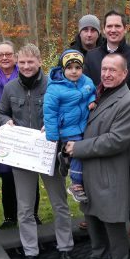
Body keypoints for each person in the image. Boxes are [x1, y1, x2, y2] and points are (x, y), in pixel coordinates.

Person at [0, 44, 74, 259]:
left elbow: (67, 113)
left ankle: (65, 248)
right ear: (16, 63)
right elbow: (1, 112)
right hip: (22, 156)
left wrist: (52, 125)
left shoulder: (54, 85)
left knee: (59, 203)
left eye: (31, 62)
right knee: (25, 207)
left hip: (49, 154)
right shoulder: (10, 88)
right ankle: (30, 250)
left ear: (40, 62)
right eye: (22, 62)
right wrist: (5, 122)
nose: (26, 66)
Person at [68, 53, 130, 259]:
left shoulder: (129, 102)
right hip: (91, 171)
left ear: (124, 73)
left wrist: (78, 148)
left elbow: (116, 140)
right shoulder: (98, 94)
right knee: (92, 220)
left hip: (110, 174)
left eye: (113, 70)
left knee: (113, 225)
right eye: (104, 69)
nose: (107, 74)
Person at [83, 9, 130, 240]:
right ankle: (95, 212)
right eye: (109, 26)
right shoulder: (91, 57)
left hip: (126, 125)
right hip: (96, 124)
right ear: (104, 29)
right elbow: (87, 89)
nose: (113, 30)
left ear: (125, 29)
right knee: (94, 171)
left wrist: (122, 112)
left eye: (117, 26)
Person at [0, 41, 41, 229]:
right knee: (7, 175)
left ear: (15, 56)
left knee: (31, 174)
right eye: (0, 55)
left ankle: (33, 214)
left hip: (29, 134)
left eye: (8, 54)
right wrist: (1, 124)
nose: (4, 58)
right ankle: (9, 217)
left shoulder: (24, 73)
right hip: (4, 133)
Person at [43, 49, 96, 203]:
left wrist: (92, 100)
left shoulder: (86, 81)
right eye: (70, 67)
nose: (74, 71)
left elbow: (92, 92)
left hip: (83, 125)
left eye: (78, 68)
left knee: (82, 153)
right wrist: (52, 134)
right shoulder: (55, 88)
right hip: (66, 127)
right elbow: (49, 112)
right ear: (63, 69)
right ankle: (76, 184)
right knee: (78, 152)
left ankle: (65, 158)